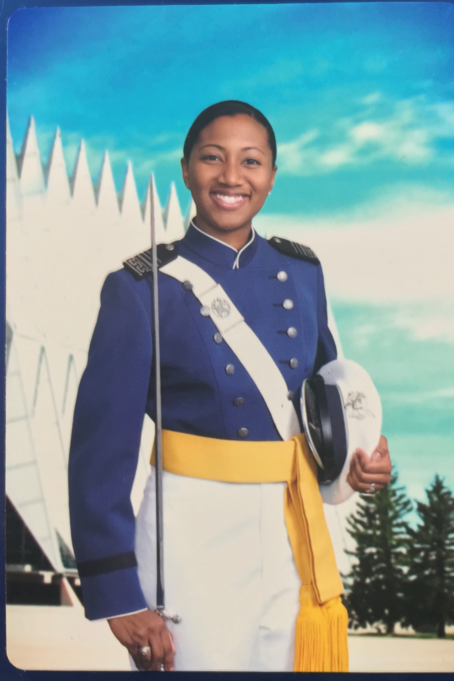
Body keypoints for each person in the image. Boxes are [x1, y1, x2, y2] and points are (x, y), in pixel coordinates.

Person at [68, 101, 392, 672]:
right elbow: (101, 451)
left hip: (295, 527)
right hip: (191, 531)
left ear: (271, 174)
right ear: (187, 168)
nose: (231, 177)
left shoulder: (303, 271)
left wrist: (360, 463)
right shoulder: (140, 287)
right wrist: (117, 592)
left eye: (252, 161)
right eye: (212, 158)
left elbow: (328, 402)